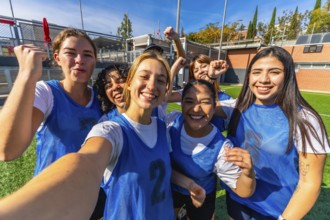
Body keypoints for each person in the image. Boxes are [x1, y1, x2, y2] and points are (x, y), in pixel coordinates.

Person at [0, 51, 206, 220]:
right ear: (130, 82)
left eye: (160, 80)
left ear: (166, 89)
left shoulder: (162, 127)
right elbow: (85, 163)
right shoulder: (110, 129)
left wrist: (188, 184)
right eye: (144, 77)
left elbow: (159, 169)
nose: (152, 85)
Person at [0, 28, 105, 219]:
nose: (80, 59)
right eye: (71, 53)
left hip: (90, 192)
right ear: (57, 58)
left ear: (94, 61)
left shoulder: (100, 99)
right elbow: (7, 150)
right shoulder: (46, 92)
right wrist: (26, 74)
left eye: (87, 54)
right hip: (53, 195)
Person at [219, 46, 330, 219]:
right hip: (237, 198)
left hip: (275, 212)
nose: (263, 79)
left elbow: (309, 184)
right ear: (248, 76)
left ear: (288, 76)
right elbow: (196, 104)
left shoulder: (305, 120)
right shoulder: (236, 108)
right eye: (256, 72)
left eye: (274, 72)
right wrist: (210, 77)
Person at [167, 79, 256, 220]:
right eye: (189, 101)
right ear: (181, 104)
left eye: (205, 102)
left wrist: (248, 174)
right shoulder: (170, 124)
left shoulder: (222, 148)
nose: (196, 109)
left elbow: (244, 191)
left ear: (215, 107)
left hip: (202, 195)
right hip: (171, 189)